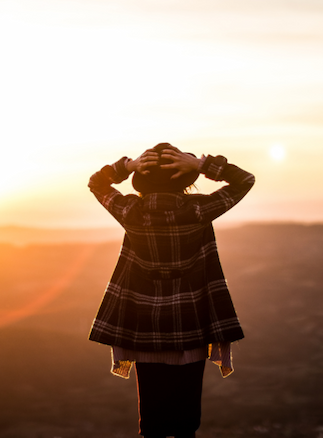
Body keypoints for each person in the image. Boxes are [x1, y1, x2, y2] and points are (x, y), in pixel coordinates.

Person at [88, 142, 256, 438]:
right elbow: (245, 180)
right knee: (186, 422)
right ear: (184, 182)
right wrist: (202, 165)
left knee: (151, 422)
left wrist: (128, 166)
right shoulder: (198, 210)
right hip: (190, 327)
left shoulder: (131, 211)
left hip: (144, 329)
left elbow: (96, 183)